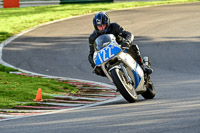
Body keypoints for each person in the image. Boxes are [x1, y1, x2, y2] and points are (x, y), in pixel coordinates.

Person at [88, 11, 153, 77]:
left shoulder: (114, 26)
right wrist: (94, 65)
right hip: (106, 56)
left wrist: (127, 42)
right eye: (99, 26)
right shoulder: (92, 37)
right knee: (100, 71)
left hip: (120, 48)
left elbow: (128, 34)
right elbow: (91, 54)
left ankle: (142, 66)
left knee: (133, 47)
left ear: (107, 23)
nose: (101, 28)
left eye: (103, 25)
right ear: (95, 26)